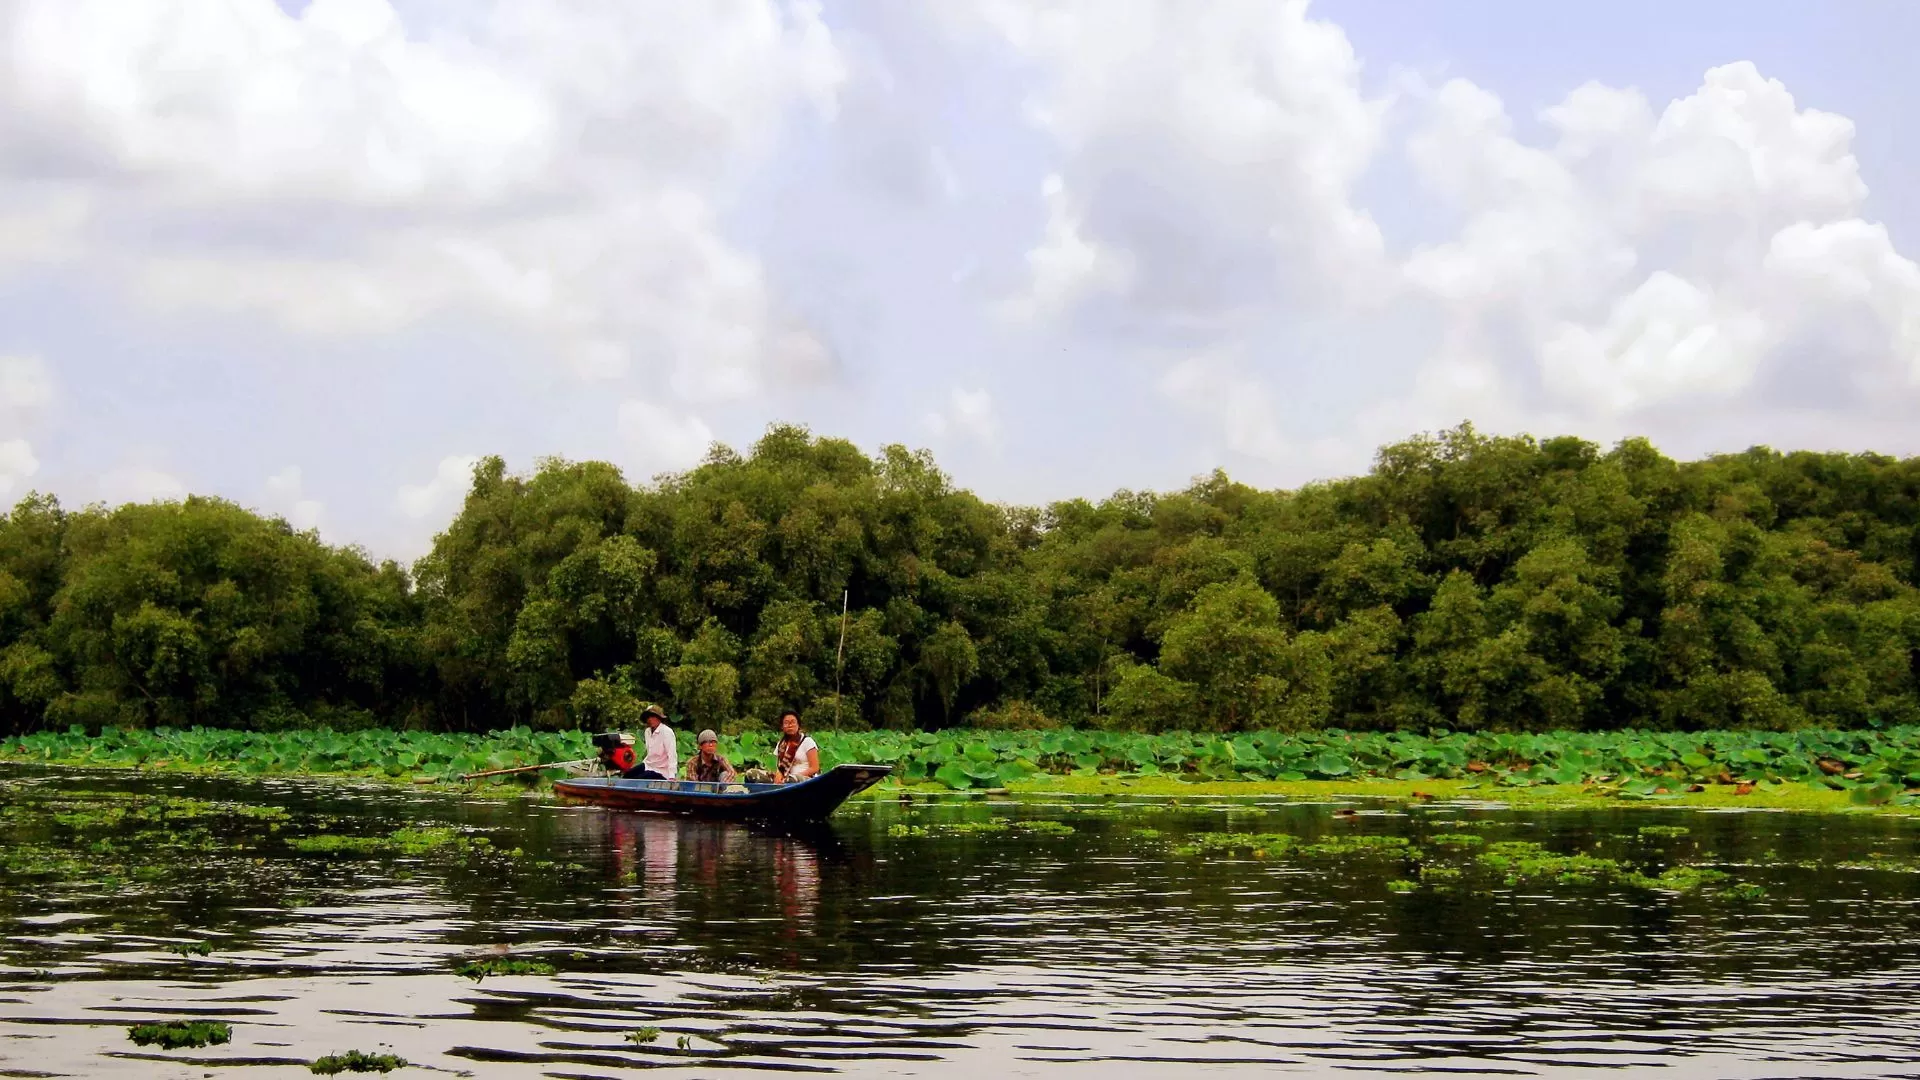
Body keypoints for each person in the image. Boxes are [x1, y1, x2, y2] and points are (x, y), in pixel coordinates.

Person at [773, 709, 819, 784]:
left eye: (793, 722)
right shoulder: (781, 744)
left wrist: (793, 776)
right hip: (784, 778)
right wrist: (778, 775)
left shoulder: (807, 741)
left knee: (787, 780)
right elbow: (779, 767)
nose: (790, 725)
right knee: (751, 774)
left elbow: (815, 768)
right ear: (782, 727)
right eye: (786, 723)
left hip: (805, 780)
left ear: (798, 725)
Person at [636, 704, 675, 780]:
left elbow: (672, 754)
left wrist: (672, 775)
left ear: (659, 718)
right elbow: (649, 753)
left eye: (653, 716)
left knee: (638, 779)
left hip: (661, 770)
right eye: (648, 717)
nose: (650, 719)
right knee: (628, 775)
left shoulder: (666, 731)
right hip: (648, 765)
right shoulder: (647, 732)